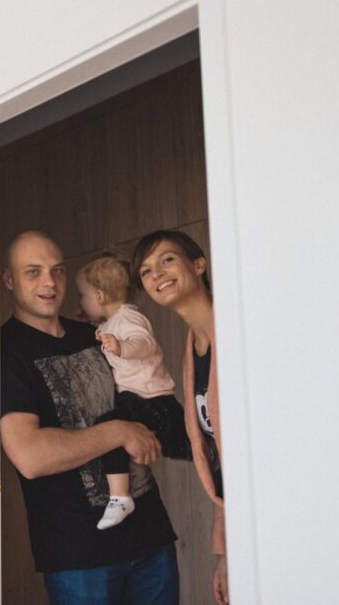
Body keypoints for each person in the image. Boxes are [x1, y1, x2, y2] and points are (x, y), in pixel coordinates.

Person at [0, 231, 179, 605]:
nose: (50, 282)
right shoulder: (4, 351)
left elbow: (146, 393)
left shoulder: (98, 334)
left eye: (58, 270)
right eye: (33, 272)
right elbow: (31, 456)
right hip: (79, 558)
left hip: (150, 537)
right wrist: (118, 431)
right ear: (9, 279)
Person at [132, 230, 228, 605]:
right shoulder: (192, 351)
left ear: (199, 264)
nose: (157, 273)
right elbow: (221, 460)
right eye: (146, 271)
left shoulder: (238, 329)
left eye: (167, 260)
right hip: (244, 522)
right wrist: (224, 554)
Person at [75, 254, 192, 531]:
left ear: (100, 295)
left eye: (83, 296)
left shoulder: (129, 318)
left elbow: (144, 343)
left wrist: (122, 348)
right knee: (189, 446)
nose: (80, 302)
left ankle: (119, 496)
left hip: (149, 399)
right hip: (140, 399)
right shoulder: (109, 324)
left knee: (108, 429)